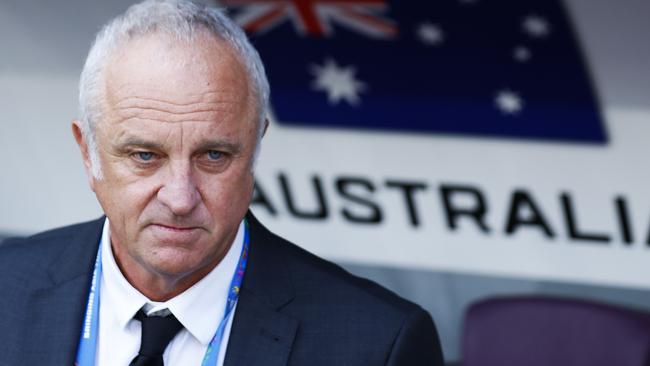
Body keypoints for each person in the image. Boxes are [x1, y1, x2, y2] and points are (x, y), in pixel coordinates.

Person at [0, 1, 444, 365]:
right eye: (144, 156)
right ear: (87, 153)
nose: (179, 197)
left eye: (214, 156)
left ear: (254, 149)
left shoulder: (376, 345)